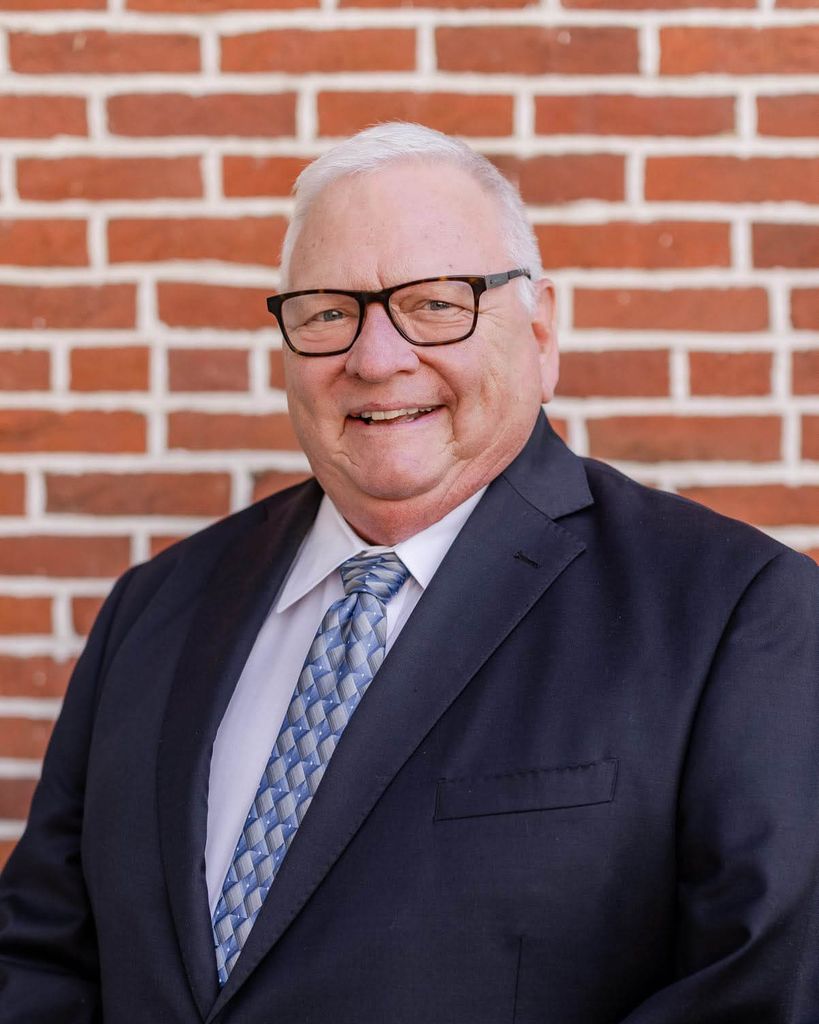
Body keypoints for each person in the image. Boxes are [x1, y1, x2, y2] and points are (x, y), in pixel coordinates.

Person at [1, 122, 817, 1024]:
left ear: (540, 331)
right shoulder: (155, 609)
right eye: (327, 312)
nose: (376, 358)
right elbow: (41, 955)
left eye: (434, 304)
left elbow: (758, 991)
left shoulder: (731, 613)